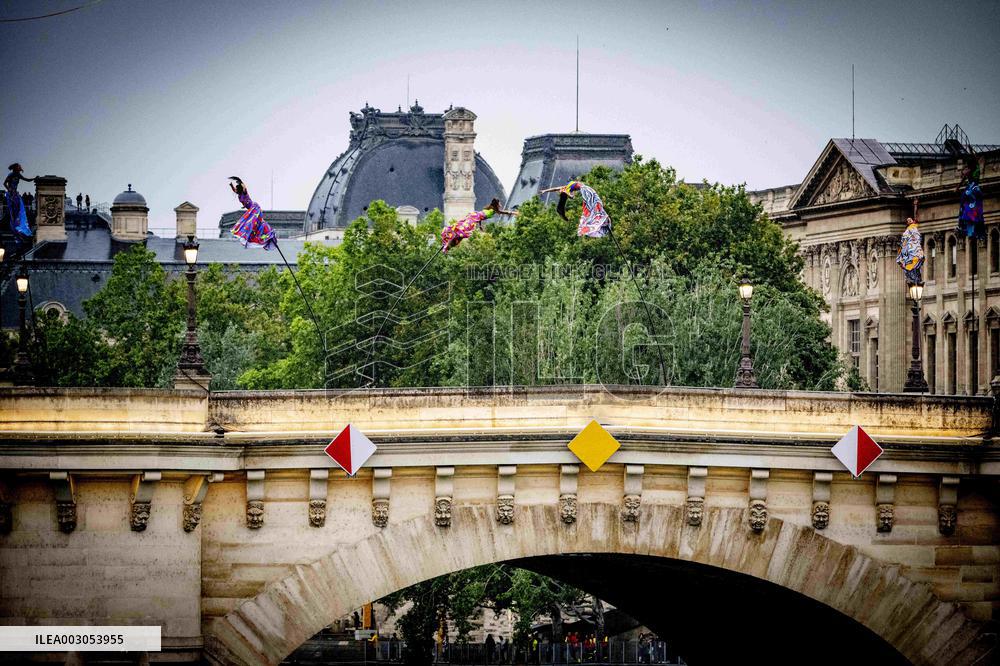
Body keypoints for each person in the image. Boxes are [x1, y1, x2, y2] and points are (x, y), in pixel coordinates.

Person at [4, 163, 35, 243]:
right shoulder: (11, 175)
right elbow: (5, 183)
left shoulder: (18, 175)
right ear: (15, 168)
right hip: (11, 194)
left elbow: (27, 179)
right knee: (14, 211)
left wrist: (34, 178)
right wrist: (9, 189)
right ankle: (16, 228)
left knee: (20, 211)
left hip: (15, 194)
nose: (20, 168)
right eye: (18, 167)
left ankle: (19, 228)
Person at [957, 160, 984, 239]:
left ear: (970, 168)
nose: (965, 170)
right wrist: (958, 187)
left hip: (973, 190)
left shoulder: (975, 172)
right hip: (972, 190)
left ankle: (963, 225)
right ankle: (963, 225)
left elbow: (966, 174)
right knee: (964, 199)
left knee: (965, 197)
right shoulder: (970, 174)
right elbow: (962, 180)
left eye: (966, 168)